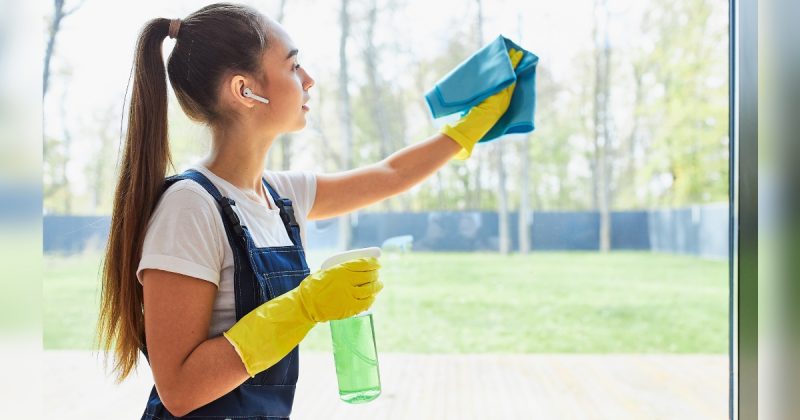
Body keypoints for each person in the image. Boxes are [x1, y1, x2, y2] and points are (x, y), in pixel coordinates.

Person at [95, 3, 522, 418]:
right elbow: (180, 391)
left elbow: (390, 175)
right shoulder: (190, 208)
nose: (309, 79)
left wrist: (468, 128)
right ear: (245, 91)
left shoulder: (281, 196)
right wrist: (304, 307)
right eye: (293, 66)